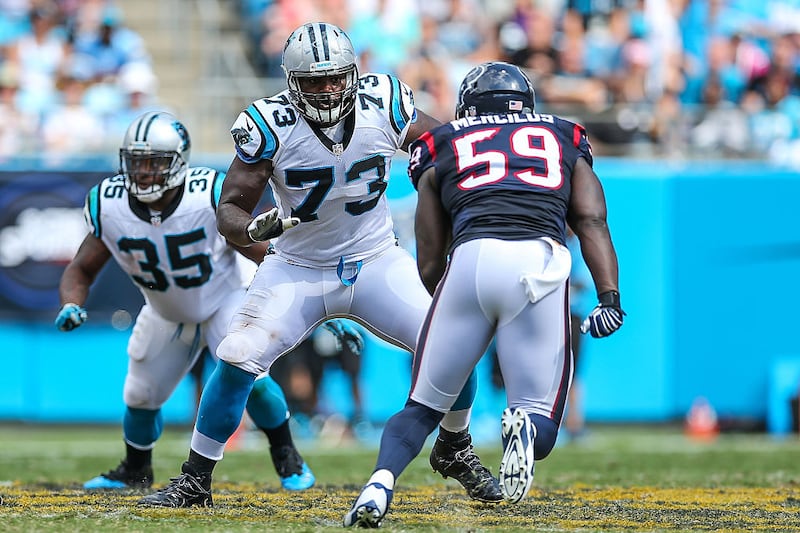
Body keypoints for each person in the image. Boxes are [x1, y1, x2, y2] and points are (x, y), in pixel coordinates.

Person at [138, 21, 498, 508]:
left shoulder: (384, 103)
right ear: (291, 83)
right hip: (298, 266)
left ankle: (455, 446)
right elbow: (229, 210)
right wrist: (250, 230)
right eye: (314, 81)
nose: (328, 90)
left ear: (353, 73)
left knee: (452, 340)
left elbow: (450, 149)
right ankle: (195, 479)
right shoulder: (270, 124)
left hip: (375, 259)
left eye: (335, 78)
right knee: (237, 352)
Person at [344, 61, 624, 527]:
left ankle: (379, 484)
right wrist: (608, 297)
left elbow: (430, 249)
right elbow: (591, 220)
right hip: (538, 263)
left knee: (421, 406)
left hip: (470, 261)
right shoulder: (563, 135)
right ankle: (524, 432)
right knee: (543, 420)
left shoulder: (443, 141)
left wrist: (445, 301)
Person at [55, 111, 321, 492]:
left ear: (179, 162)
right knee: (139, 393)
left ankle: (286, 453)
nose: (143, 173)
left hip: (224, 297)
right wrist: (70, 303)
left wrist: (304, 289)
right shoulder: (108, 203)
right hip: (166, 309)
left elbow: (258, 250)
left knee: (253, 377)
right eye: (136, 162)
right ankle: (136, 468)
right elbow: (80, 268)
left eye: (154, 163)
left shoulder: (206, 191)